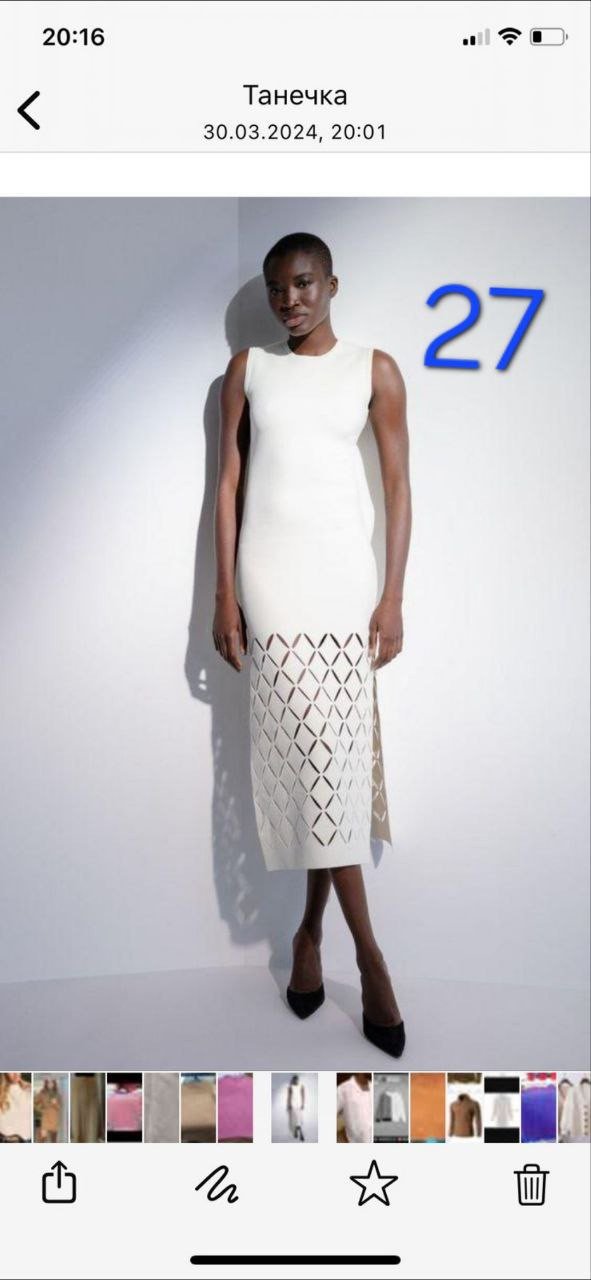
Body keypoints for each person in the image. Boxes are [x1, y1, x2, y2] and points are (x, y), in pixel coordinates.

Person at [213, 232, 411, 1057]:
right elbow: (228, 481)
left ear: (331, 284)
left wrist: (392, 595)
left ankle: (309, 935)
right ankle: (370, 959)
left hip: (340, 584)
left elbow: (397, 485)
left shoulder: (374, 369)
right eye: (276, 288)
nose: (288, 300)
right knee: (309, 760)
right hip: (269, 582)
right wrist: (223, 594)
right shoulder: (248, 370)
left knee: (327, 765)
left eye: (301, 284)